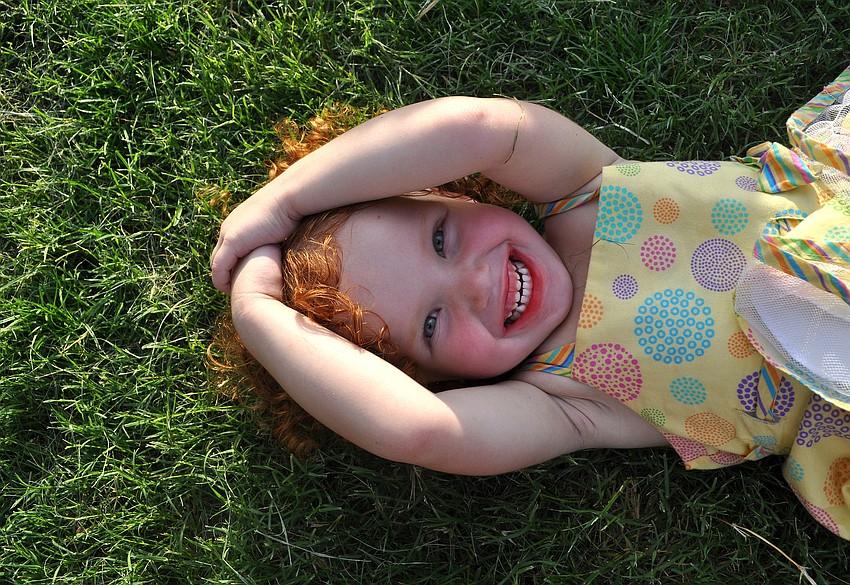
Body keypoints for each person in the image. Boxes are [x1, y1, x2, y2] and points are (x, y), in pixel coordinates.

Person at [210, 68, 850, 539]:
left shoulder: (584, 190)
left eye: (441, 238)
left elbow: (476, 127)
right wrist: (258, 312)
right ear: (431, 378)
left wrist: (284, 201)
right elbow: (416, 429)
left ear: (444, 190)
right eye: (432, 322)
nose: (476, 283)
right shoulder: (562, 398)